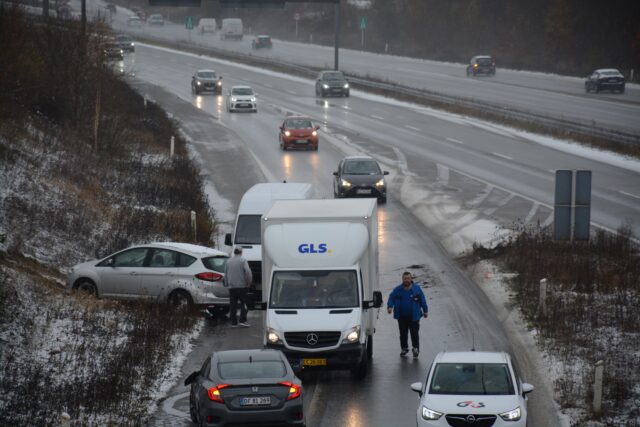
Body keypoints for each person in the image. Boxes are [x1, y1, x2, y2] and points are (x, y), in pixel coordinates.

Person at [387, 271, 428, 358]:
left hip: (414, 316)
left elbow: (423, 300)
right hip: (401, 316)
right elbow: (391, 298)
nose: (406, 280)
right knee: (403, 333)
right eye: (405, 279)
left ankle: (415, 348)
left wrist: (425, 311)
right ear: (402, 279)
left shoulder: (417, 289)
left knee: (414, 333)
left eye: (408, 278)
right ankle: (404, 348)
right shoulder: (398, 290)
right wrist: (390, 307)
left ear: (411, 279)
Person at [224, 247, 252, 327]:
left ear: (234, 252)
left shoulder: (228, 261)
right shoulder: (243, 261)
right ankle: (242, 320)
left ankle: (233, 322)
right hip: (242, 286)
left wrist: (226, 283)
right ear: (241, 252)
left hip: (232, 287)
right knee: (245, 303)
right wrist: (249, 282)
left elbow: (225, 273)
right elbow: (248, 272)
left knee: (233, 304)